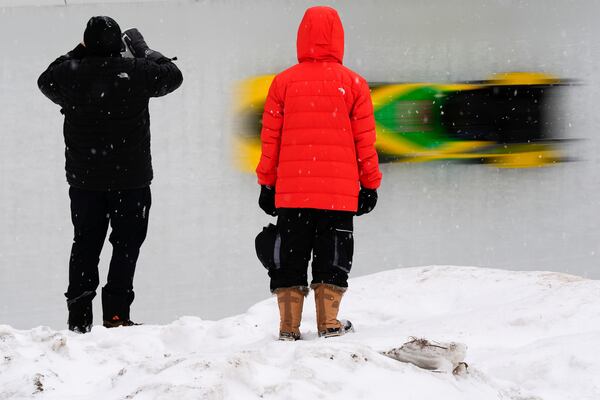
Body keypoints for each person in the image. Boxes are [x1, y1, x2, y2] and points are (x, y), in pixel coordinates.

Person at [37, 16, 183, 333]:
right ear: (120, 45)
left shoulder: (69, 74)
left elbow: (45, 79)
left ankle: (79, 317)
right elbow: (174, 76)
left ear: (86, 42)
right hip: (131, 181)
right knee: (126, 246)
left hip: (85, 180)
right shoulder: (138, 72)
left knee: (85, 244)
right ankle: (116, 314)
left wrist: (80, 51)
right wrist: (143, 49)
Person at [256, 6, 382, 341]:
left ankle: (288, 326)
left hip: (292, 192)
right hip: (338, 195)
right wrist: (369, 183)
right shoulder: (354, 84)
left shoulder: (283, 83)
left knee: (290, 257)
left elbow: (271, 140)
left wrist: (267, 182)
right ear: (339, 39)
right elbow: (365, 141)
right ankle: (328, 323)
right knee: (333, 255)